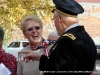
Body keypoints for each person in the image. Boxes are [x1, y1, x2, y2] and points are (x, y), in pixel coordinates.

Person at [18, 0, 97, 75]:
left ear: (59, 19)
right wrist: (40, 58)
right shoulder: (86, 38)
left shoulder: (67, 41)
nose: (54, 24)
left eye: (54, 20)